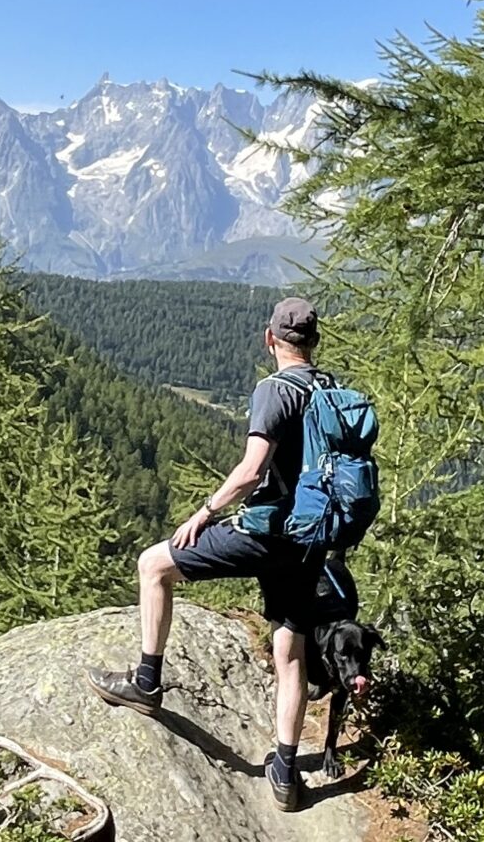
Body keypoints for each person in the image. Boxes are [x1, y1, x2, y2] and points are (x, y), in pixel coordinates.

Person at [89, 296, 329, 811]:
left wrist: (205, 511)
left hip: (267, 534)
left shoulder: (275, 390)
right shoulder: (329, 390)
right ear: (313, 342)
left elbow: (251, 470)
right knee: (290, 654)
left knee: (153, 565)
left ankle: (146, 683)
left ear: (270, 340)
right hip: (310, 540)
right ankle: (285, 774)